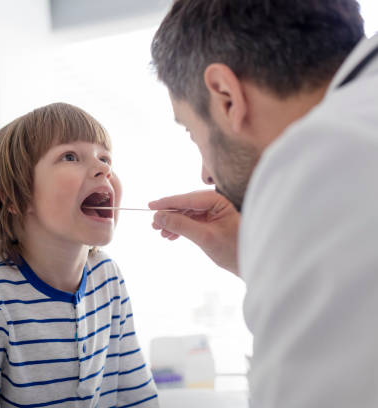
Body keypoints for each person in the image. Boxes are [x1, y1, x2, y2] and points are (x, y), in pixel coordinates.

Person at [148, 0, 378, 407]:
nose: (205, 173)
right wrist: (265, 263)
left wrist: (280, 257)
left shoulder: (320, 155)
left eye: (191, 132)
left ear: (226, 96)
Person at [0, 103, 158, 407]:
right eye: (70, 156)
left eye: (105, 157)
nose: (104, 168)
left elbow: (137, 397)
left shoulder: (107, 278)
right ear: (15, 196)